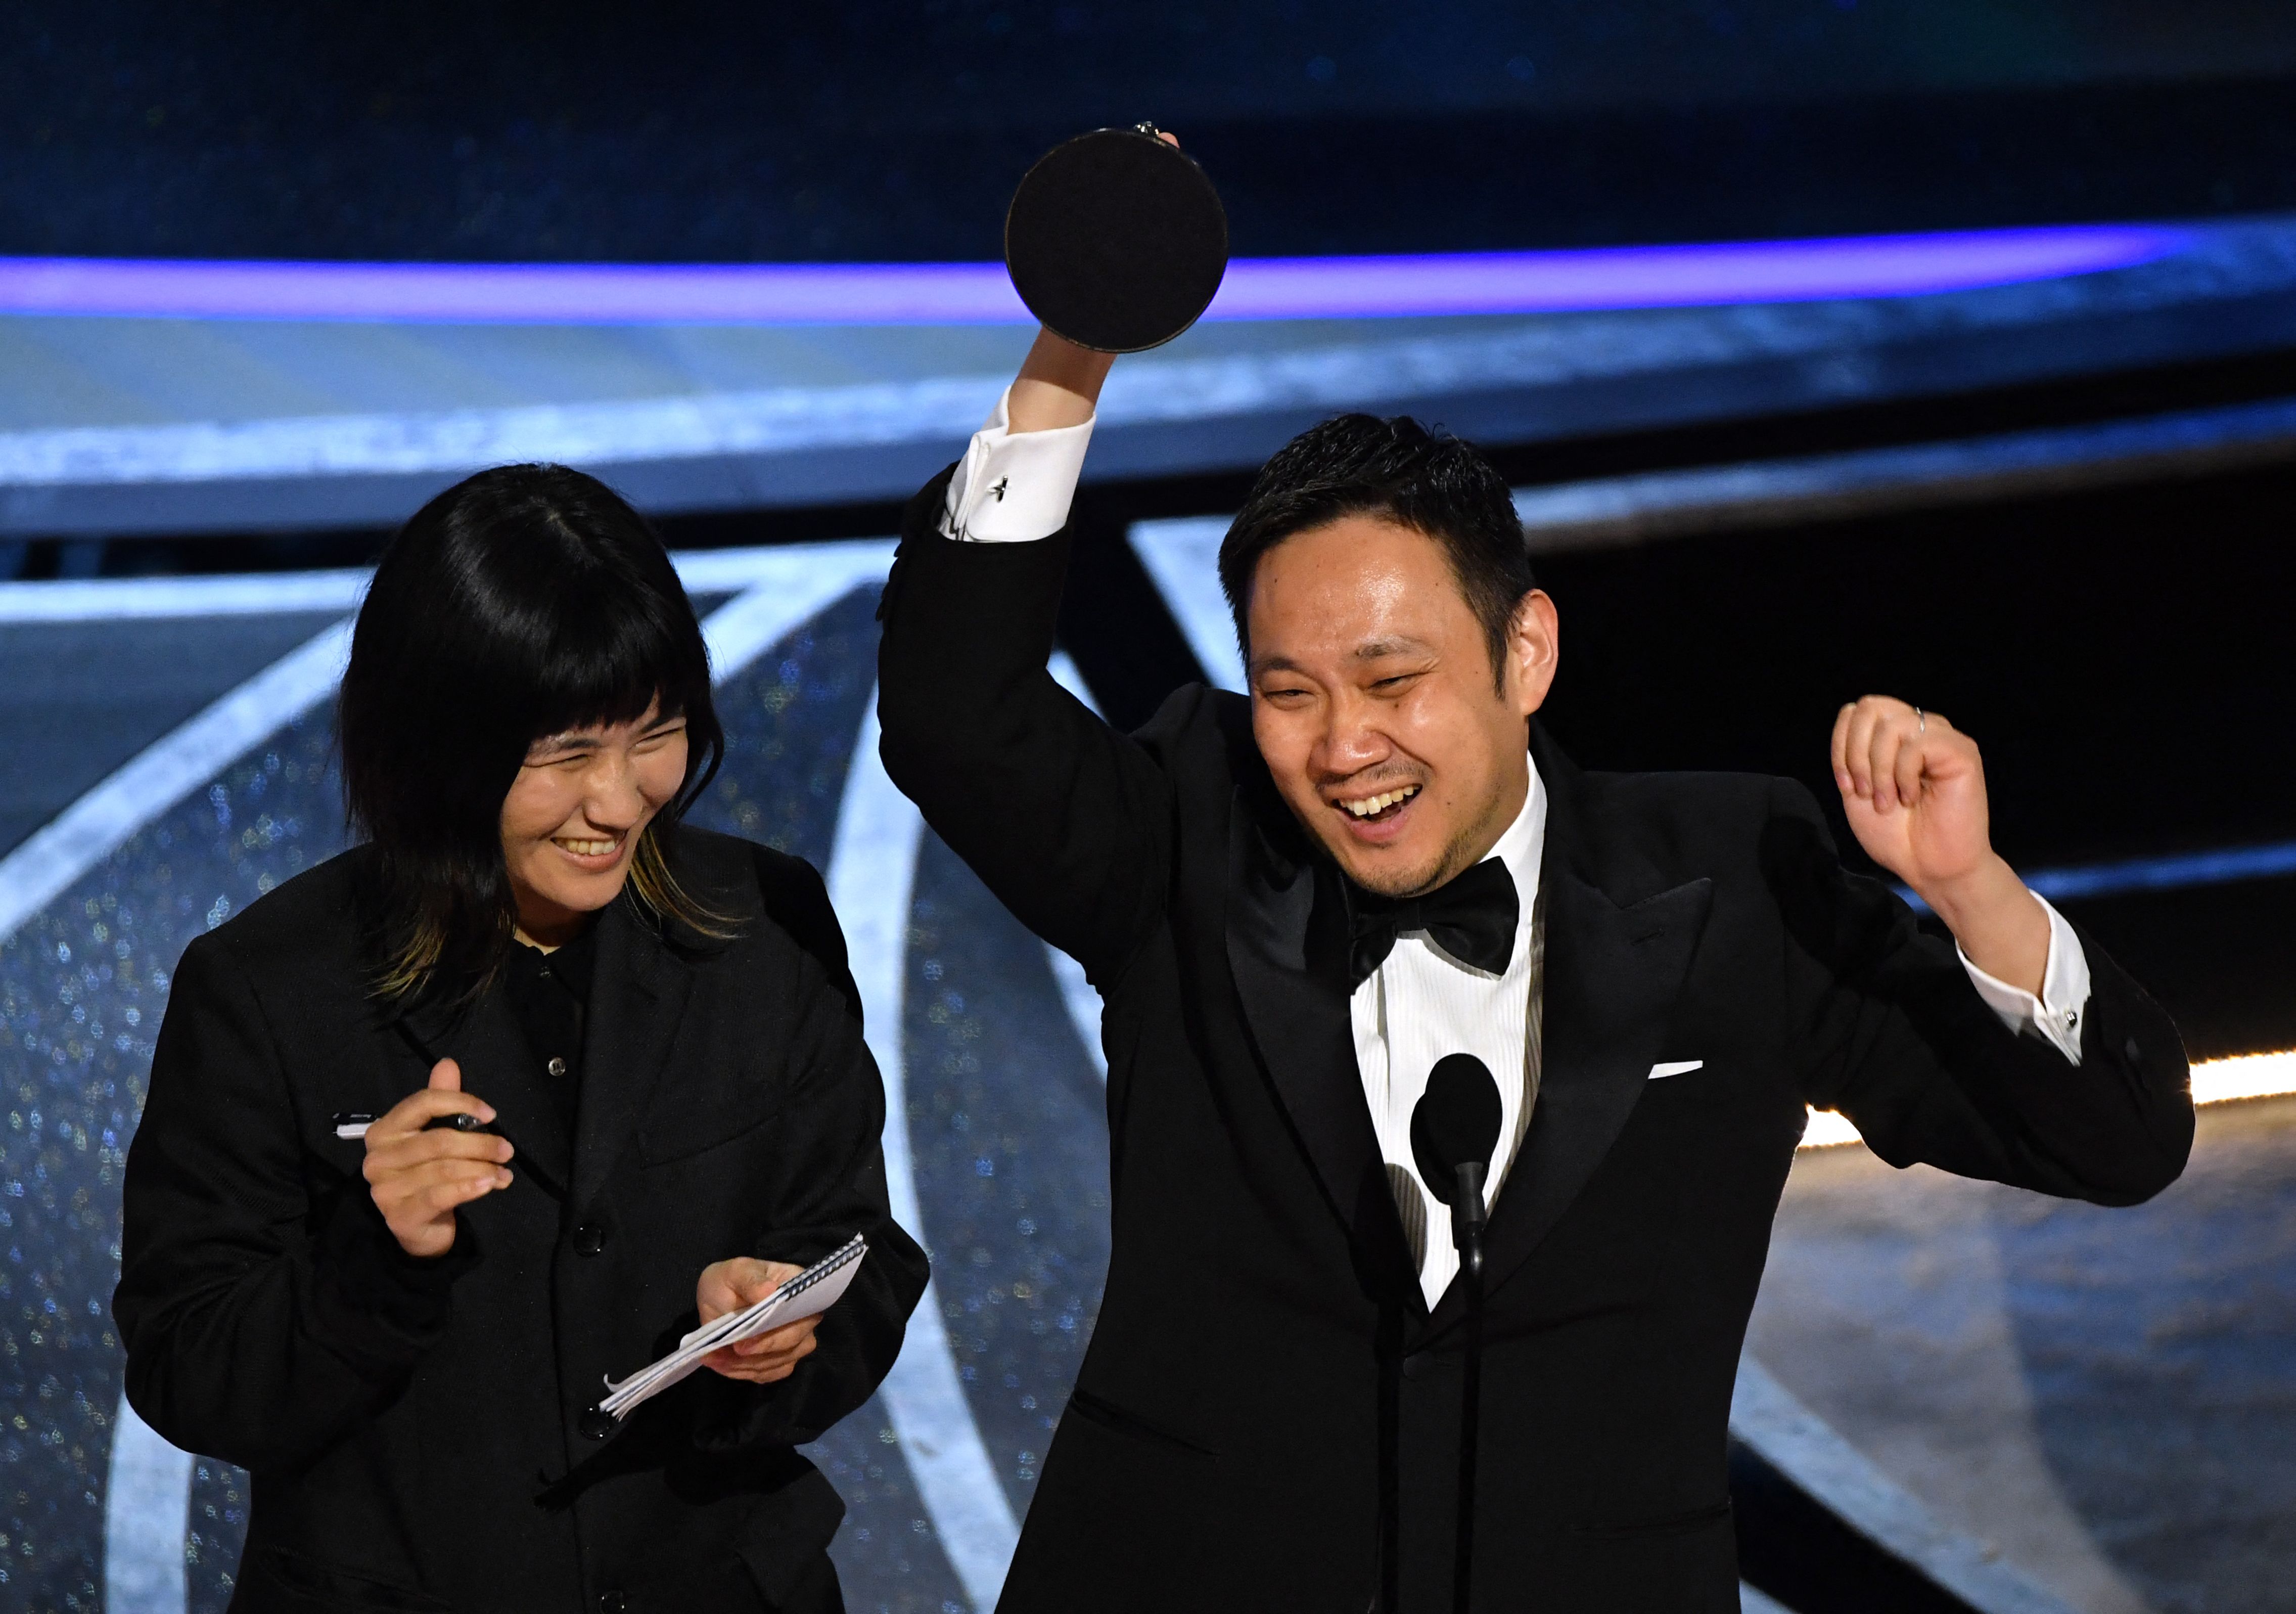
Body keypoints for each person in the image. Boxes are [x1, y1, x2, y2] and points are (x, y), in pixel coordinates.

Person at [874, 327, 2193, 1612]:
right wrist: (1073, 353)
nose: (1343, 747)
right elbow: (953, 720)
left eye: (1391, 681)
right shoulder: (1191, 826)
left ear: (1524, 654)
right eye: (1289, 694)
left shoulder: (1732, 877)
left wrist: (1967, 889)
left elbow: (2115, 1142)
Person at [115, 464, 927, 1614]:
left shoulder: (766, 924)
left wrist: (783, 1318)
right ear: (435, 739)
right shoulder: (264, 989)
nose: (620, 799)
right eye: (562, 754)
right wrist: (372, 1255)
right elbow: (188, 1371)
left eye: (655, 733)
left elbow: (864, 1252)